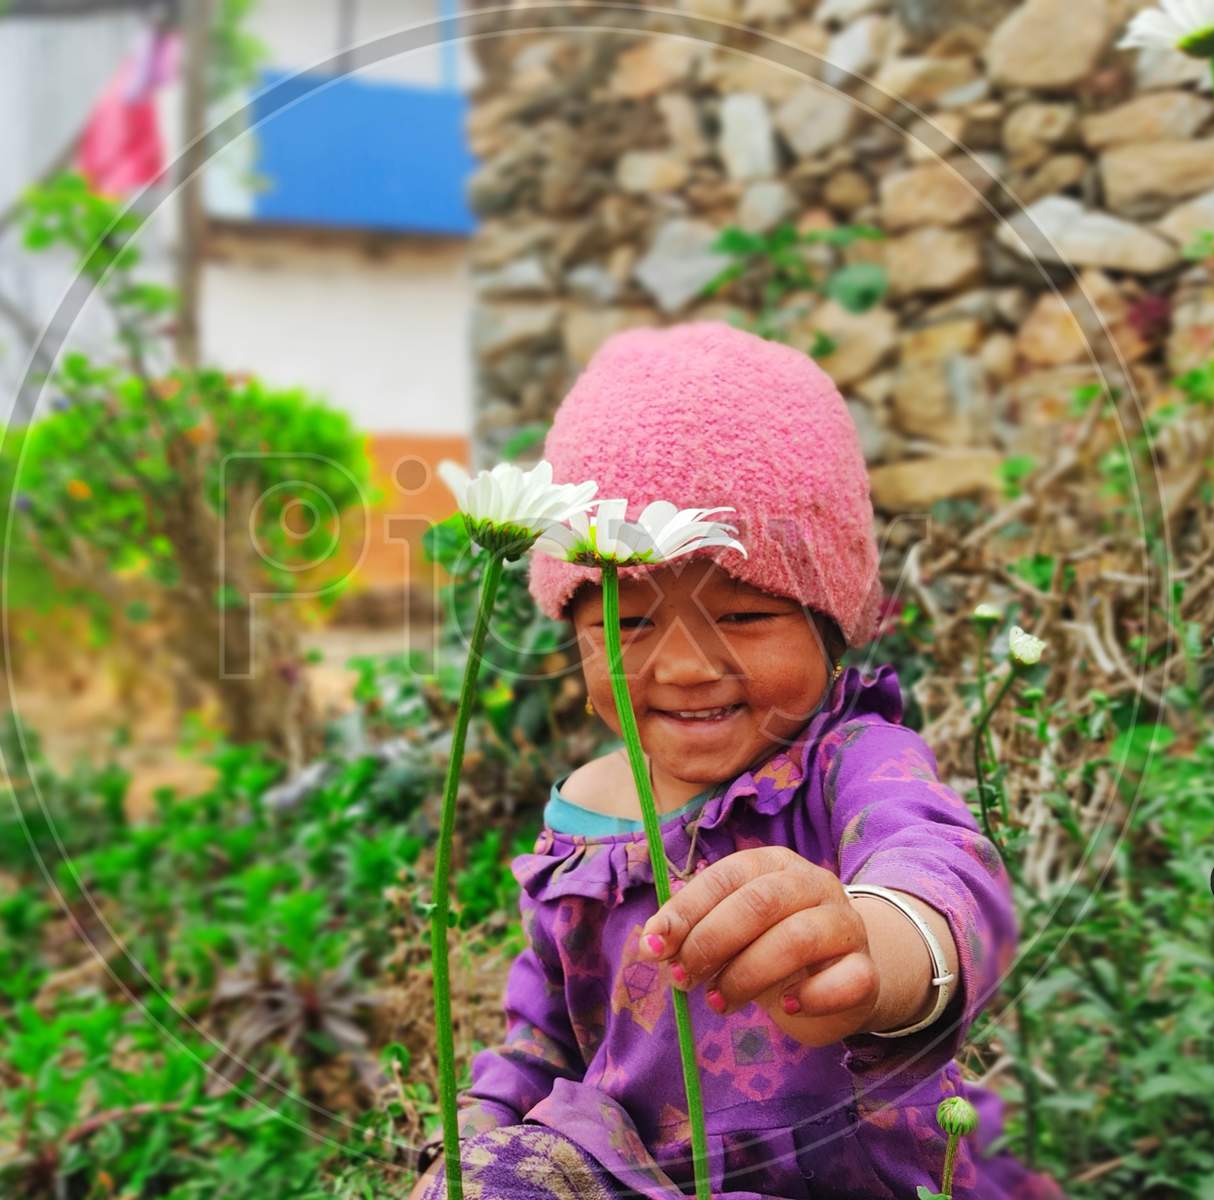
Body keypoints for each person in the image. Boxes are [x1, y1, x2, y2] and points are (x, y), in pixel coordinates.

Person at [410, 321, 1063, 1200]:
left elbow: (949, 876)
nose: (683, 665)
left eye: (747, 617)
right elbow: (540, 1041)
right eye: (629, 622)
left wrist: (874, 945)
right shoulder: (577, 833)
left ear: (832, 629)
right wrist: (468, 1149)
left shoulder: (848, 761)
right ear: (573, 630)